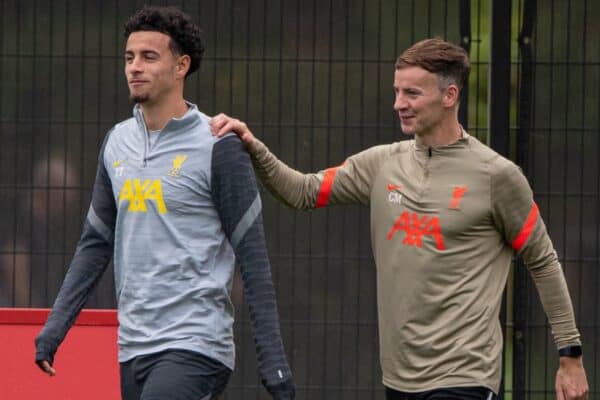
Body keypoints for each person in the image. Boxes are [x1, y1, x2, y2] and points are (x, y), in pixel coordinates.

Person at [211, 38, 589, 400]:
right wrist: (252, 145)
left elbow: (542, 261)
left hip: (466, 373)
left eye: (412, 93)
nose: (399, 104)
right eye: (397, 92)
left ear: (449, 96)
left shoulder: (496, 176)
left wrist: (569, 355)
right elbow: (304, 191)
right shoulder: (382, 163)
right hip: (399, 376)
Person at [34, 6, 295, 400]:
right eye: (129, 57)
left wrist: (273, 358)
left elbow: (253, 256)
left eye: (149, 57)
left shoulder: (219, 145)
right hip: (133, 347)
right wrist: (55, 329)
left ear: (181, 67)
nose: (134, 67)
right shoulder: (115, 142)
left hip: (196, 344)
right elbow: (94, 244)